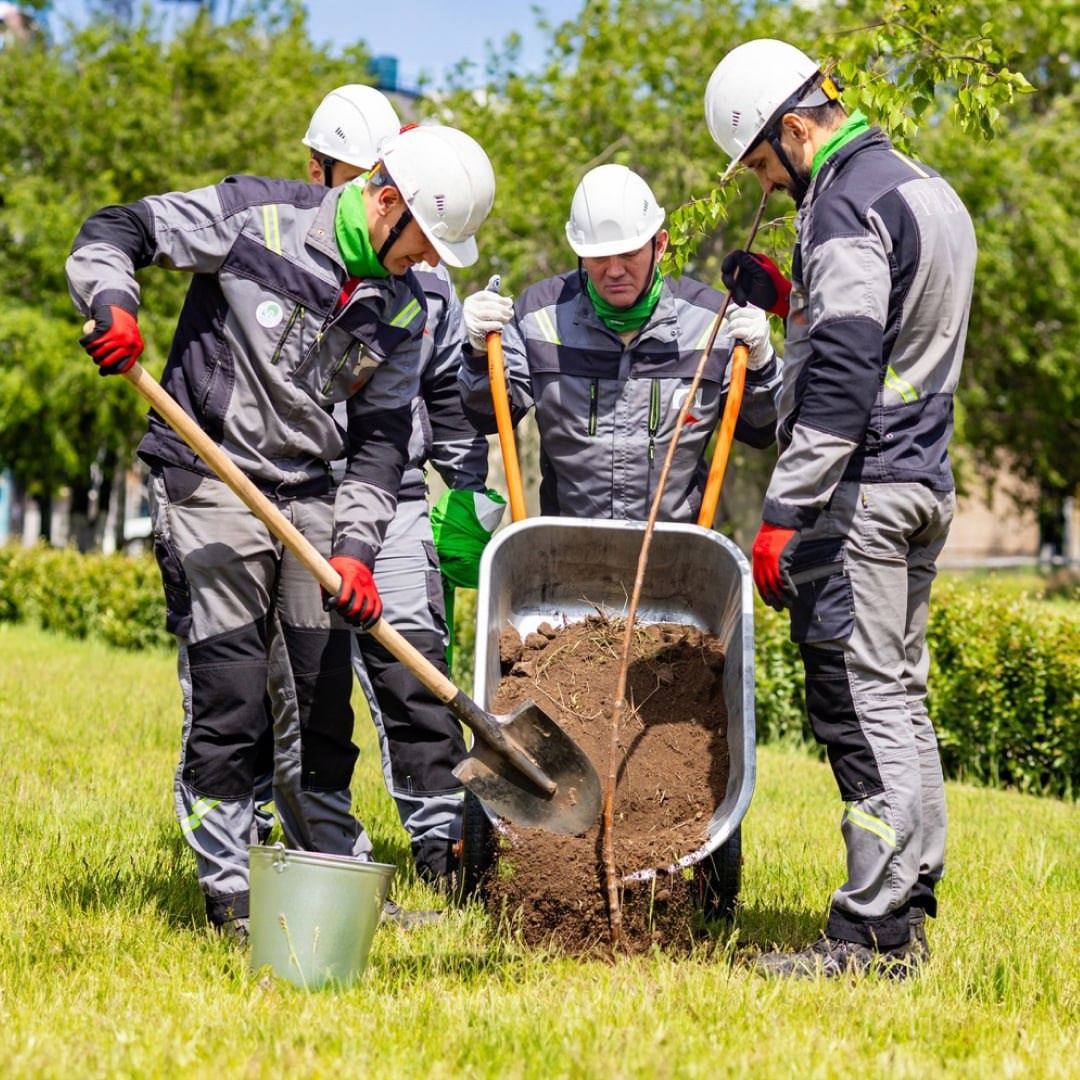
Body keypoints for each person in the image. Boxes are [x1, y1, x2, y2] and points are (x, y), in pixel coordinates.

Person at [66, 123, 496, 938]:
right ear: (388, 201)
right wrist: (111, 302)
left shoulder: (403, 305)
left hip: (311, 494)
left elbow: (379, 443)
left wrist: (355, 551)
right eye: (427, 241)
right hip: (210, 477)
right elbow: (120, 228)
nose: (430, 261)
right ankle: (232, 897)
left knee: (321, 701)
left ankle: (335, 884)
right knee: (232, 692)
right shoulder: (256, 217)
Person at [704, 38, 977, 978]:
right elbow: (894, 331)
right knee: (898, 696)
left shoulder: (843, 204)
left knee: (859, 704)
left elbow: (851, 368)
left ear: (793, 128)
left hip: (863, 491)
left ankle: (870, 934)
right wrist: (793, 305)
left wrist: (786, 506)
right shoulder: (922, 187)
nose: (767, 186)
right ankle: (910, 898)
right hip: (923, 480)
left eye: (761, 165)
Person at [301, 86, 505, 892]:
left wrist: (467, 488)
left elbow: (448, 397)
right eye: (348, 173)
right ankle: (312, 847)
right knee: (310, 684)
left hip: (394, 502)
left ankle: (443, 845)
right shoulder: (298, 260)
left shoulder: (429, 283)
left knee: (418, 673)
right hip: (299, 492)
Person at [457, 163, 780, 523]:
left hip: (677, 550)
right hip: (567, 546)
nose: (613, 270)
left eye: (628, 254)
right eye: (598, 257)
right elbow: (489, 415)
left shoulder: (711, 323)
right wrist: (478, 354)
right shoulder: (540, 318)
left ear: (659, 245)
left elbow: (761, 429)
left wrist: (761, 366)